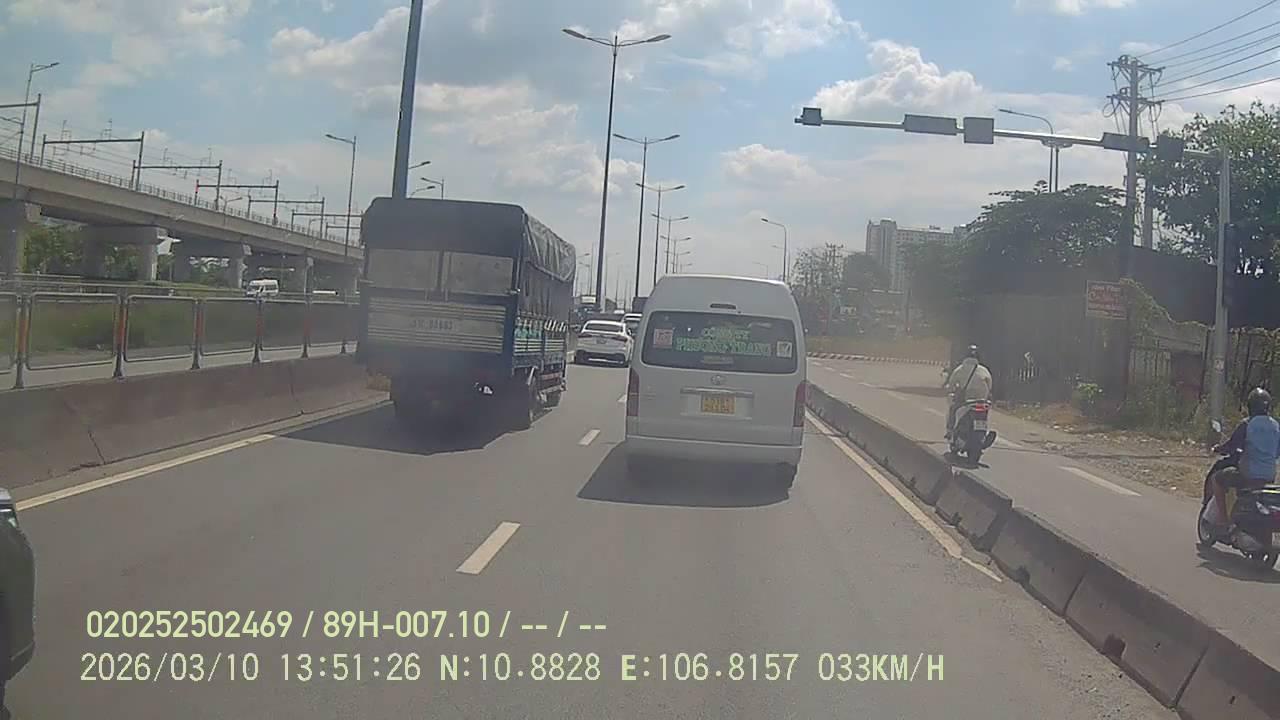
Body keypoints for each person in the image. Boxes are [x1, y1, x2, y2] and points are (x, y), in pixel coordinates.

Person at [1209, 387, 1280, 529]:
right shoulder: (1276, 426)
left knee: (1217, 479)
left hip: (1248, 475)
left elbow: (1231, 446)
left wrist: (1217, 449)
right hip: (1269, 477)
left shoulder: (1247, 424)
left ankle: (1223, 519)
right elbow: (1277, 453)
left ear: (1250, 406)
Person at [945, 345, 993, 439]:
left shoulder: (960, 369)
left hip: (966, 400)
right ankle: (984, 434)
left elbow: (951, 384)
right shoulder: (984, 370)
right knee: (984, 413)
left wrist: (950, 391)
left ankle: (950, 431)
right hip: (981, 400)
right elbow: (990, 384)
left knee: (953, 409)